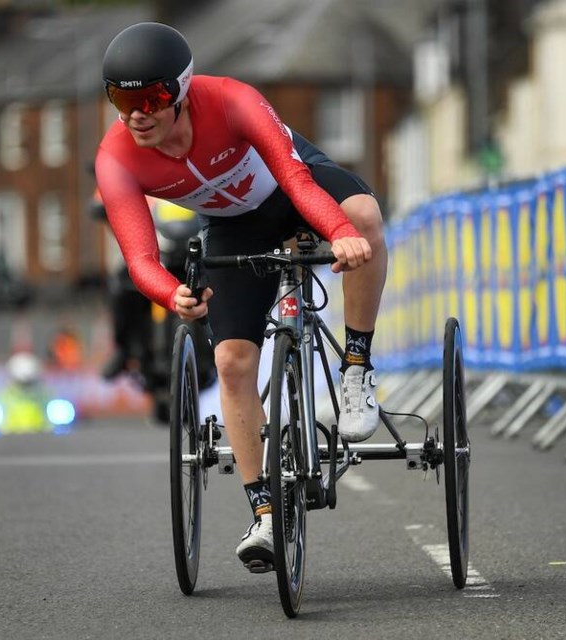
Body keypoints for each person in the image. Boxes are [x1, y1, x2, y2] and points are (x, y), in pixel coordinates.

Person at [94, 22, 388, 573]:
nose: (137, 113)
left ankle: (356, 368)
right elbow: (139, 259)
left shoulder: (231, 100)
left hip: (292, 187)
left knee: (365, 217)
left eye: (152, 98)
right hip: (234, 227)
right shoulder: (116, 158)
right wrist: (172, 293)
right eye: (121, 99)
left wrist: (339, 232)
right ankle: (266, 513)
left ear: (179, 91)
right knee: (231, 361)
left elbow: (300, 186)